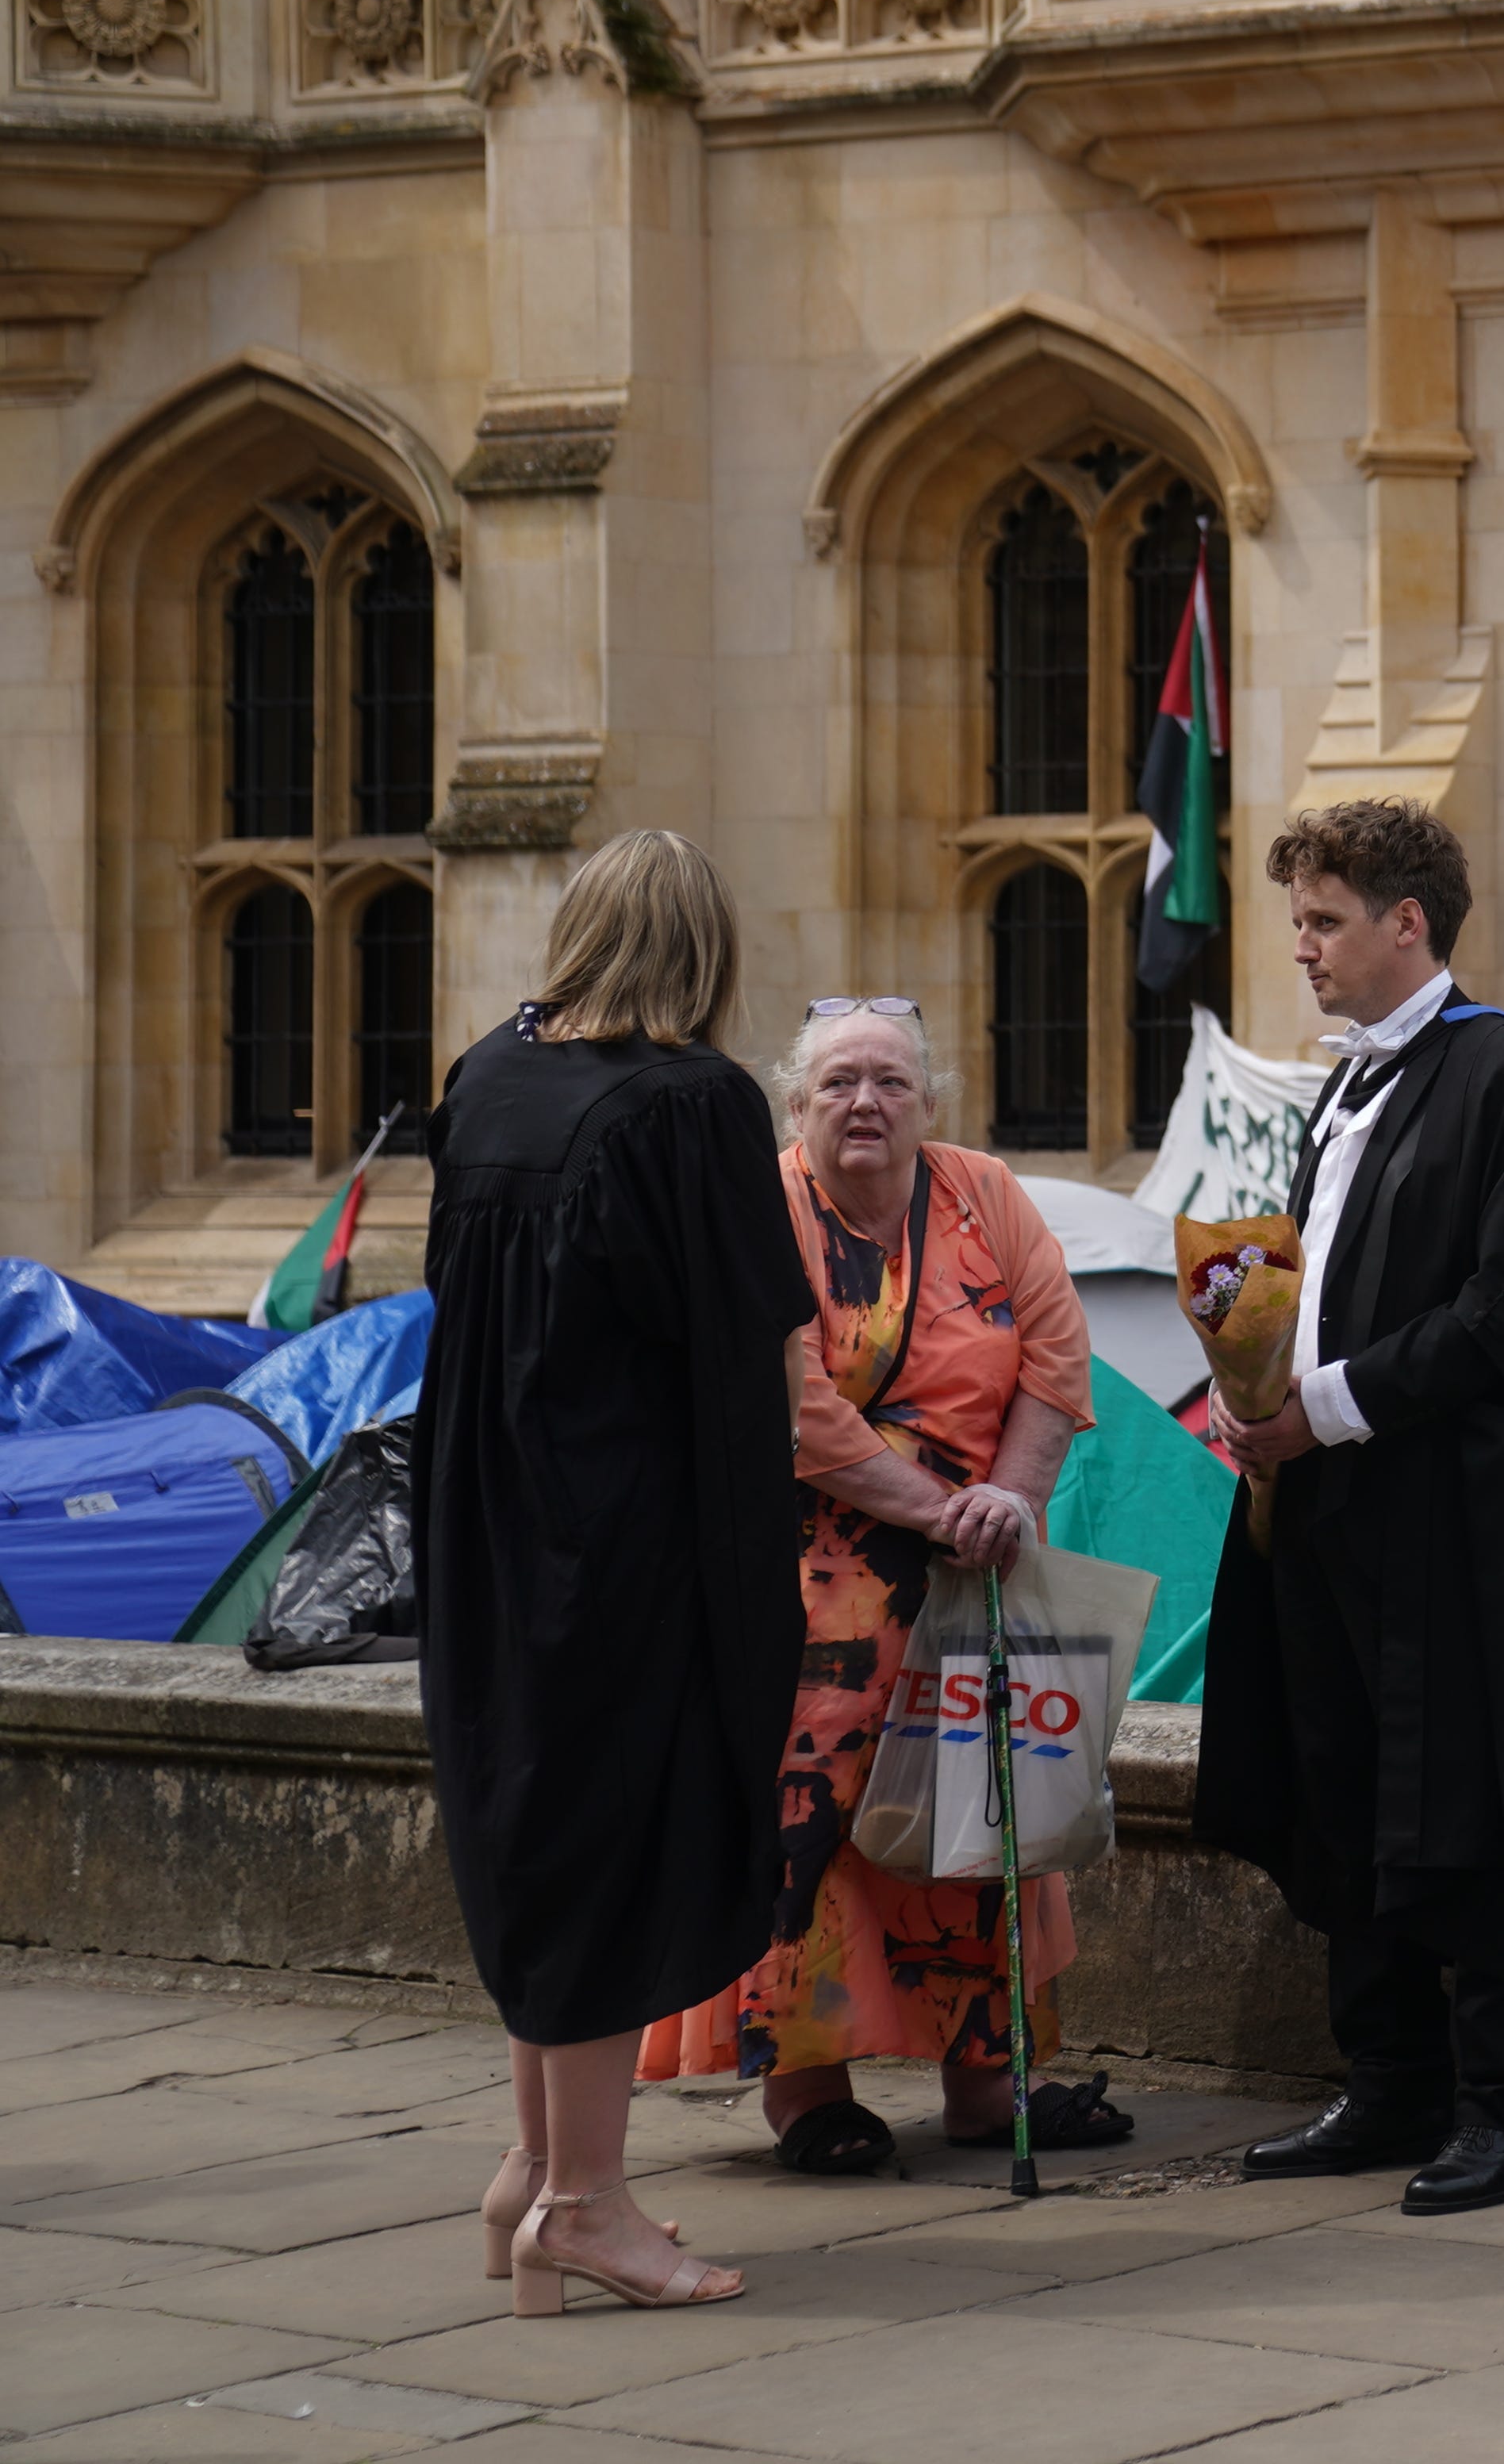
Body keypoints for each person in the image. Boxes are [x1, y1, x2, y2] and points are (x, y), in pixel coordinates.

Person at [1191, 799, 1504, 2214]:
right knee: (1342, 1781)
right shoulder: (1344, 1087)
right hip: (1337, 1507)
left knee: (1474, 1792)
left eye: (1327, 922)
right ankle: (1388, 2082)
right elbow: (1321, 1277)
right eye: (1298, 924)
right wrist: (1247, 1371)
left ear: (1411, 924)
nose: (1304, 952)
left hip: (1465, 1526)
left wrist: (1317, 1406)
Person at [416, 829, 814, 2316]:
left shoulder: (485, 1074)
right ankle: (585, 2204)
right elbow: (749, 1338)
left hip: (486, 1514)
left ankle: (531, 2171)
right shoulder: (692, 1101)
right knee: (610, 1839)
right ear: (704, 951)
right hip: (626, 1528)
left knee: (533, 1822)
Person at [638, 999, 1135, 2174]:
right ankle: (810, 2097)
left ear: (929, 1099)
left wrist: (1004, 1502)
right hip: (809, 1588)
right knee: (812, 1831)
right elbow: (789, 1403)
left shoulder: (987, 1193)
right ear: (797, 1104)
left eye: (891, 1083)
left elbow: (1058, 1356)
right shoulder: (762, 1207)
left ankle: (985, 2087)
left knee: (987, 1819)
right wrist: (935, 1509)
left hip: (985, 1573)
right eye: (839, 1084)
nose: (866, 1103)